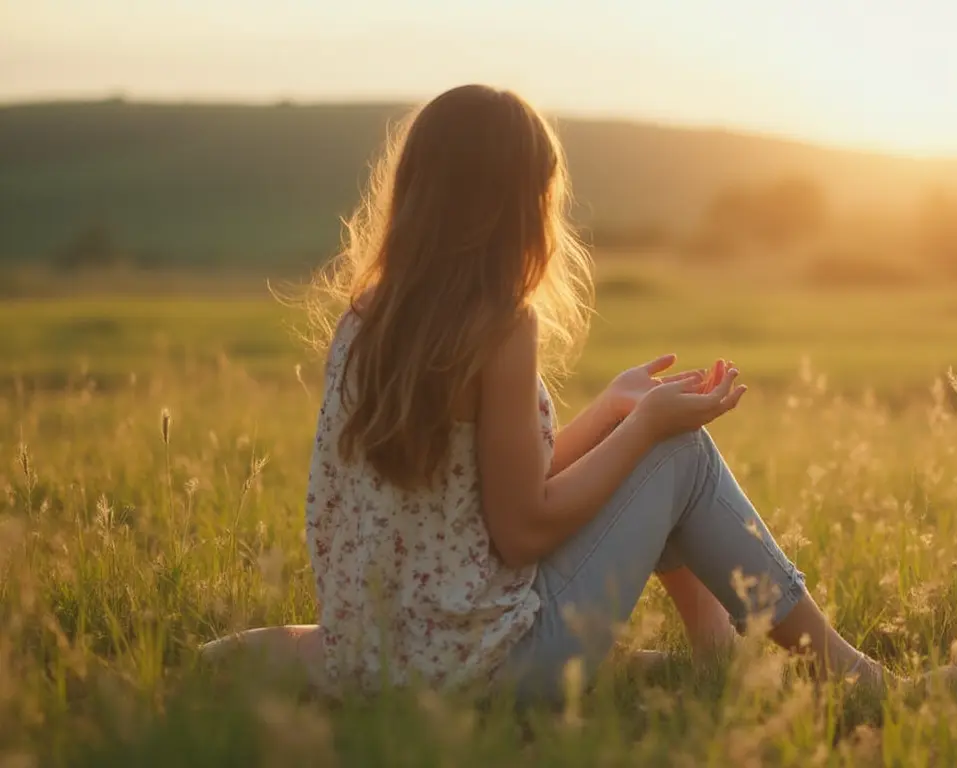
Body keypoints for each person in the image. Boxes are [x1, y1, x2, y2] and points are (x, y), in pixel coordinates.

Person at [201, 84, 891, 702]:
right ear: (521, 203)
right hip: (488, 671)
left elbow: (484, 490)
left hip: (372, 664)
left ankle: (709, 661)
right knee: (680, 452)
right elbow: (521, 528)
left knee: (653, 442)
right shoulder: (498, 324)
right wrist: (646, 427)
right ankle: (854, 677)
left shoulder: (365, 317)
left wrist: (612, 413)